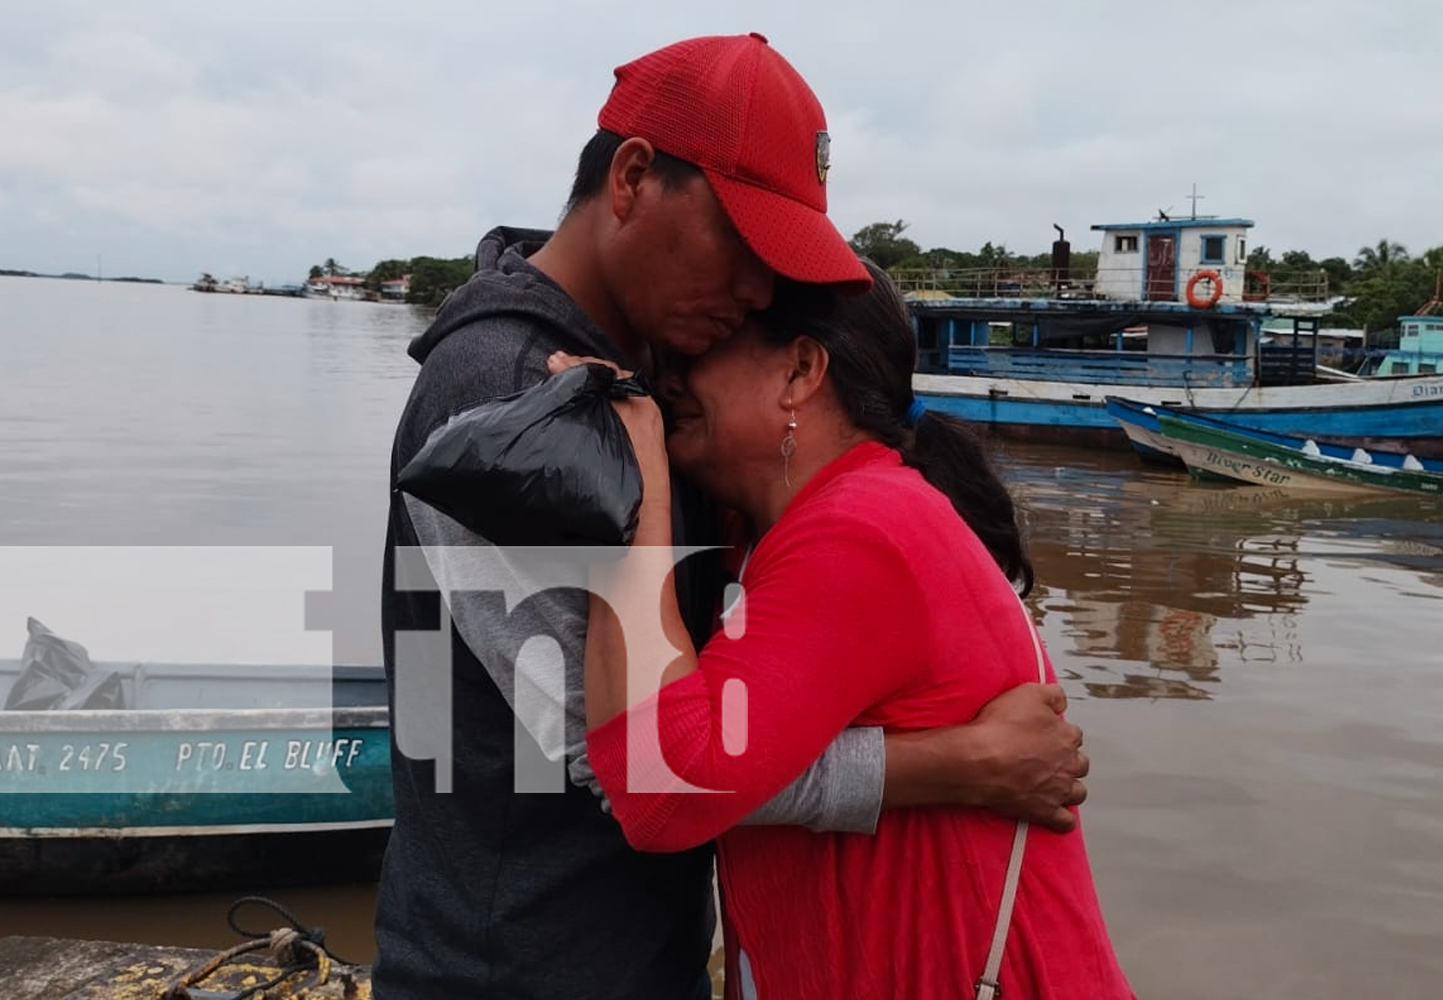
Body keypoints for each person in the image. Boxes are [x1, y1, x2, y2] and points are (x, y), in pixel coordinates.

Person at [378, 33, 1089, 999]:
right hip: (518, 959)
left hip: (628, 943)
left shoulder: (644, 391)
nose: (758, 289)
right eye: (746, 247)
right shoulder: (510, 398)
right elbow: (628, 757)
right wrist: (950, 765)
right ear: (633, 178)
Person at [573, 261, 1136, 998]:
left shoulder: (861, 529)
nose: (664, 379)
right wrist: (953, 762)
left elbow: (662, 786)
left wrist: (631, 488)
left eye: (701, 346)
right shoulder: (780, 526)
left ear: (801, 370)